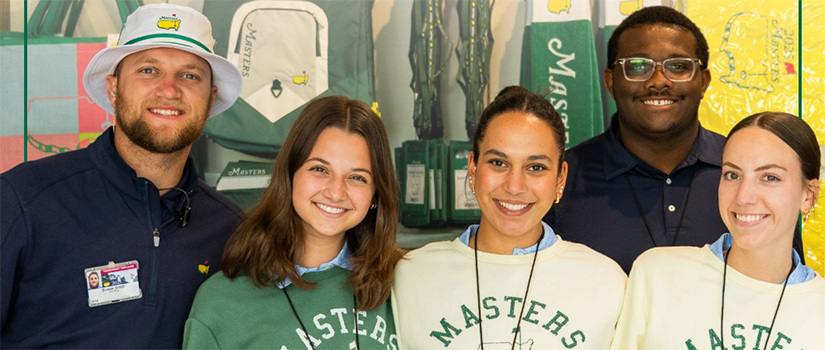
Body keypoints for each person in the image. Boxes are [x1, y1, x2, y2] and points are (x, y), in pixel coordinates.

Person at [0, 4, 243, 348]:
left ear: (210, 97)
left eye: (190, 75)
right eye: (148, 70)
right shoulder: (21, 200)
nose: (169, 90)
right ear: (113, 88)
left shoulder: (233, 230)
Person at [392, 86, 626, 349]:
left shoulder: (605, 281)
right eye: (498, 163)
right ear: (473, 168)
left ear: (560, 178)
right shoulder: (412, 275)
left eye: (536, 167)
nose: (515, 186)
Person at [183, 96, 403, 349]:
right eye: (320, 169)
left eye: (357, 177)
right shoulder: (222, 303)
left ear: (375, 195)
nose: (336, 192)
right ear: (290, 174)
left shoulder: (404, 283)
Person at [610, 112, 824, 349]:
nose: (743, 196)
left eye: (770, 177)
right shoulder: (658, 274)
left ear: (809, 195)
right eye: (733, 175)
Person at [543, 6, 729, 273]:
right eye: (638, 66)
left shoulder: (746, 174)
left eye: (678, 67)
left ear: (703, 82)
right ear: (610, 82)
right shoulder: (560, 180)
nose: (658, 81)